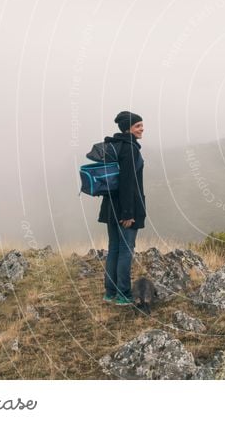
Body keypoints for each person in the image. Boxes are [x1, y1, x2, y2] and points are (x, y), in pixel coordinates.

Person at [97, 110, 147, 306]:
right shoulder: (130, 149)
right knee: (126, 250)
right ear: (128, 129)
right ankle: (123, 294)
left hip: (110, 206)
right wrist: (128, 213)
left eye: (142, 125)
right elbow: (127, 183)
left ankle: (110, 292)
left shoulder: (114, 146)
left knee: (115, 249)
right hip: (126, 209)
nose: (142, 128)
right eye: (137, 126)